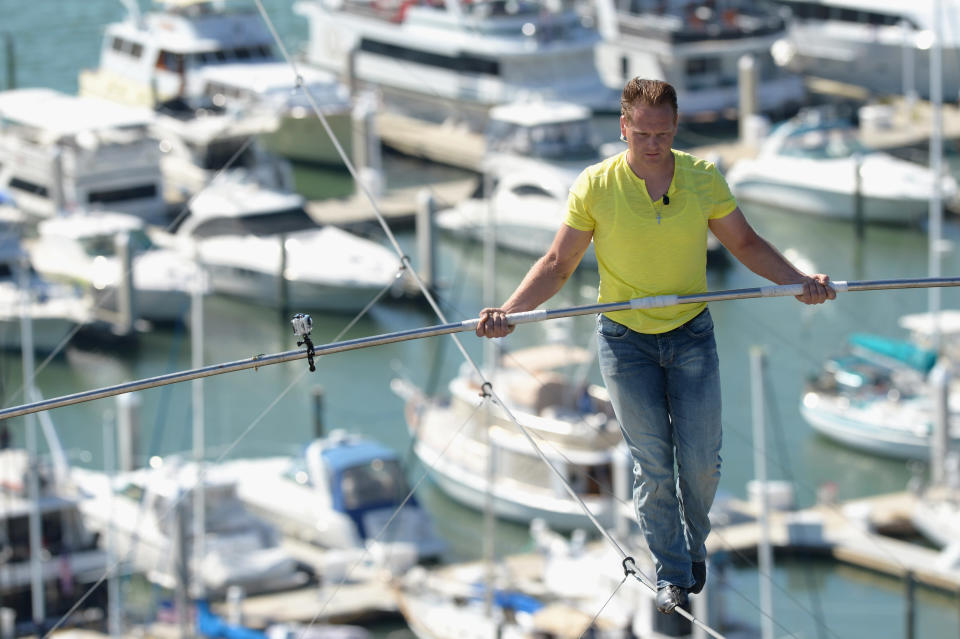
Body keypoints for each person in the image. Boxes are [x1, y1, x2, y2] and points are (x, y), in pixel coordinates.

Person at [476, 78, 835, 614]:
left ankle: (693, 549)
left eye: (663, 134)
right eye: (641, 133)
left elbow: (746, 243)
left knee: (701, 464)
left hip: (691, 334)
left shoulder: (702, 178)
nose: (652, 144)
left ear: (675, 129)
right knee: (653, 465)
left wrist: (798, 282)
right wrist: (510, 312)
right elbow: (557, 264)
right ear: (623, 127)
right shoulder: (595, 186)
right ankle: (671, 570)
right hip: (625, 345)